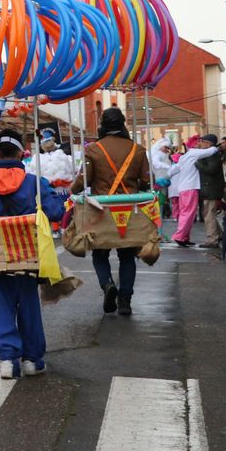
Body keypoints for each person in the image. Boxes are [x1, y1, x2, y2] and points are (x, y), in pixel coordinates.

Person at [0, 129, 64, 377]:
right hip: (27, 255)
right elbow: (56, 211)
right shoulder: (33, 182)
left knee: (0, 305)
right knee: (28, 304)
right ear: (21, 152)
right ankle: (32, 360)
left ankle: (7, 359)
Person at [70, 108, 151, 315]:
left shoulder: (93, 149)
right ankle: (125, 300)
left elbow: (83, 181)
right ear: (123, 124)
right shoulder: (138, 150)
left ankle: (107, 285)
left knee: (100, 253)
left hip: (101, 210)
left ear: (102, 125)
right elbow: (146, 181)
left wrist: (73, 189)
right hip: (129, 210)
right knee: (127, 256)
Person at [167, 133, 219, 247]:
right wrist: (217, 146)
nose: (200, 143)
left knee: (186, 213)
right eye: (199, 142)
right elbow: (211, 151)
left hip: (183, 188)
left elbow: (173, 170)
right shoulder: (194, 153)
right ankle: (179, 236)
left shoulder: (183, 156)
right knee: (188, 213)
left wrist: (165, 177)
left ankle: (185, 237)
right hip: (190, 187)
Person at [196, 134, 226, 249]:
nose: (200, 144)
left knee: (209, 215)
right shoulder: (209, 154)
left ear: (208, 143)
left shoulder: (212, 155)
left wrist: (197, 163)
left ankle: (212, 239)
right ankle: (219, 235)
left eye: (202, 141)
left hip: (211, 189)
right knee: (208, 213)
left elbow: (211, 170)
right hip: (209, 188)